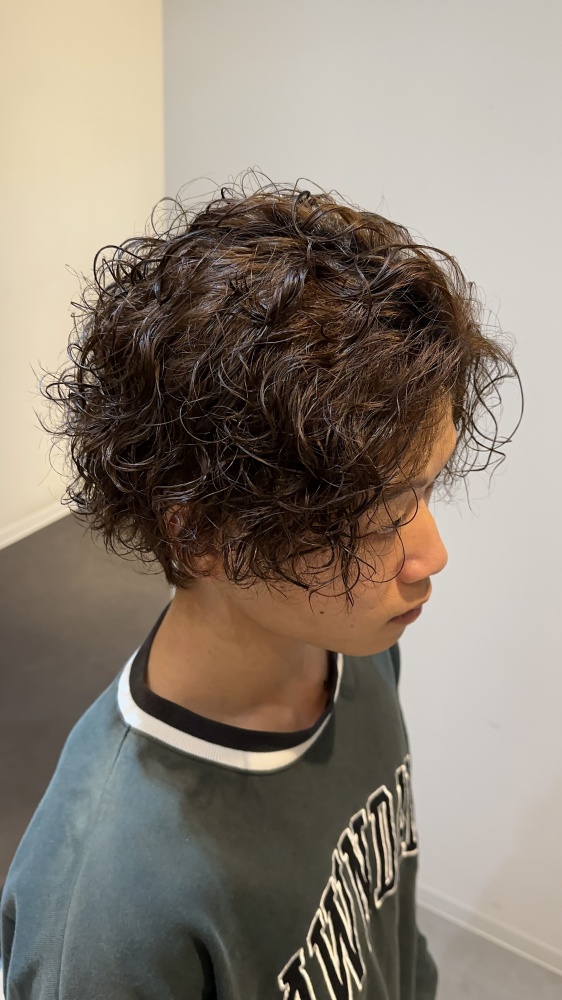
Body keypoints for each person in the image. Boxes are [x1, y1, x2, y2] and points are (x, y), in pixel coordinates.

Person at [0, 174, 520, 999]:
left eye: (426, 491)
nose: (432, 555)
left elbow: (391, 933)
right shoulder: (101, 914)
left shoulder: (358, 654)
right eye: (378, 517)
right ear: (200, 534)